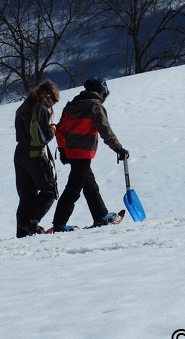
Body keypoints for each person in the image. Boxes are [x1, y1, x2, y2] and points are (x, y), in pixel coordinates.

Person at [52, 77, 129, 232]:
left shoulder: (71, 106)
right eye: (104, 95)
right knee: (73, 189)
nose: (104, 98)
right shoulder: (95, 106)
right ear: (99, 93)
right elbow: (105, 131)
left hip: (72, 153)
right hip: (83, 153)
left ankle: (101, 216)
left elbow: (59, 130)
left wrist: (62, 150)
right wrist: (119, 149)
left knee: (90, 185)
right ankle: (59, 224)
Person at [14, 80, 60, 238]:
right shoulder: (40, 108)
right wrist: (53, 130)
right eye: (54, 101)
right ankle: (30, 223)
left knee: (27, 195)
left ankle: (22, 231)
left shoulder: (24, 107)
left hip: (20, 153)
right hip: (34, 154)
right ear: (49, 96)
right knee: (49, 191)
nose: (52, 105)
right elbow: (42, 138)